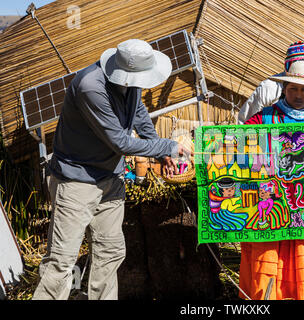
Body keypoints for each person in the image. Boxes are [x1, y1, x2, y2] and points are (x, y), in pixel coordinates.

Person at [33, 39, 190, 300]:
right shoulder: (91, 87)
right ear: (123, 73)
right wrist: (168, 145)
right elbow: (119, 141)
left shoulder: (131, 82)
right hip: (76, 182)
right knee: (61, 262)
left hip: (110, 179)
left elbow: (138, 113)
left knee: (110, 253)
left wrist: (161, 153)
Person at [239, 43, 304, 300]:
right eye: (293, 88)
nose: (299, 95)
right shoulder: (262, 119)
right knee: (268, 267)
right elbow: (240, 149)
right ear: (283, 88)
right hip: (272, 212)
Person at [237, 41, 304, 124]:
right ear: (284, 90)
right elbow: (243, 131)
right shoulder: (268, 89)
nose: (298, 95)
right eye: (293, 89)